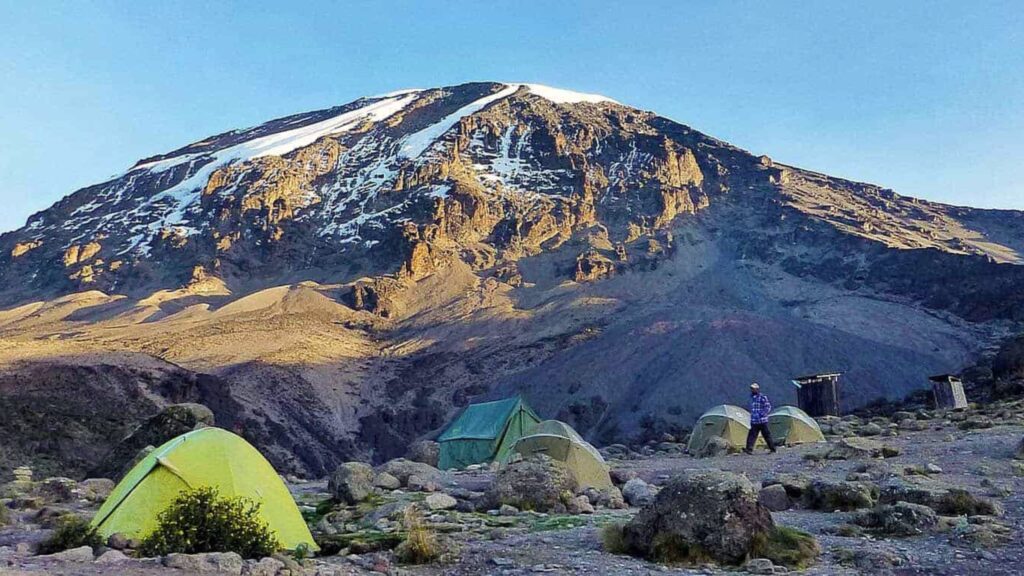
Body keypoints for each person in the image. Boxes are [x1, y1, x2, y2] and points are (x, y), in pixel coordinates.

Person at [745, 383, 776, 454]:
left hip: (762, 420)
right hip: (754, 421)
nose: (752, 390)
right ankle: (749, 449)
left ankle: (772, 448)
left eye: (753, 389)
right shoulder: (752, 398)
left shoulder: (762, 397)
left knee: (766, 435)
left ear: (757, 389)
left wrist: (762, 414)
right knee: (752, 435)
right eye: (751, 389)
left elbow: (768, 407)